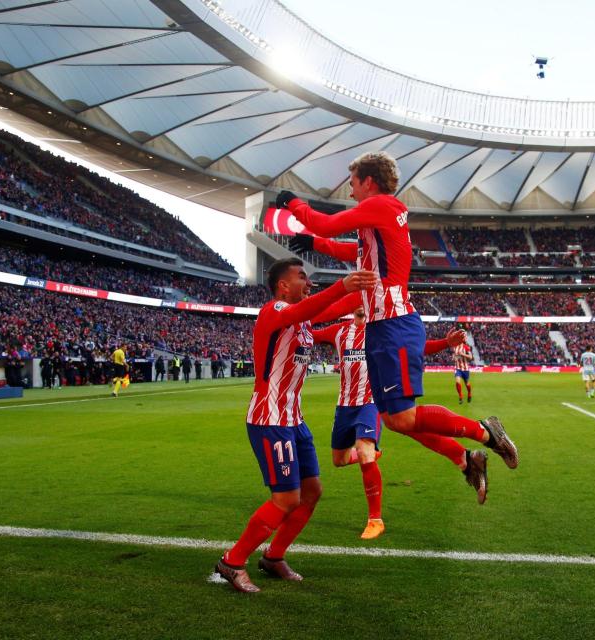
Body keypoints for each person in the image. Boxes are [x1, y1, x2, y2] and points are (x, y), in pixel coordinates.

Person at [279, 152, 518, 503]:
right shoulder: (378, 221)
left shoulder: (382, 206)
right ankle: (466, 458)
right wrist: (315, 246)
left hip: (393, 326)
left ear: (369, 182)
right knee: (394, 421)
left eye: (353, 183)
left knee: (403, 418)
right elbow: (354, 251)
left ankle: (485, 433)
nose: (350, 191)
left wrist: (292, 203)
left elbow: (327, 224)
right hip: (382, 328)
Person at [215, 259, 375, 593]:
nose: (308, 281)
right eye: (301, 276)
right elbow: (323, 302)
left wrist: (369, 287)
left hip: (294, 420)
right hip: (270, 419)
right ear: (283, 286)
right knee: (286, 499)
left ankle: (274, 557)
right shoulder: (274, 310)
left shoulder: (303, 321)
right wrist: (343, 286)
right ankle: (232, 561)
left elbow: (336, 304)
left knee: (312, 492)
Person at [312, 297, 473, 539]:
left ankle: (375, 519)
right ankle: (372, 452)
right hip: (345, 405)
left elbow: (417, 346)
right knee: (340, 460)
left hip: (371, 403)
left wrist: (445, 343)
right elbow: (309, 335)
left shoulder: (381, 330)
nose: (359, 305)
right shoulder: (339, 331)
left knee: (365, 452)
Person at [452, 338, 473, 404]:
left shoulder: (466, 347)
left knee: (467, 383)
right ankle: (460, 396)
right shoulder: (455, 347)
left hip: (465, 368)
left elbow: (470, 357)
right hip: (458, 368)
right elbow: (454, 356)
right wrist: (454, 358)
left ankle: (469, 393)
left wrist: (462, 354)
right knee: (458, 381)